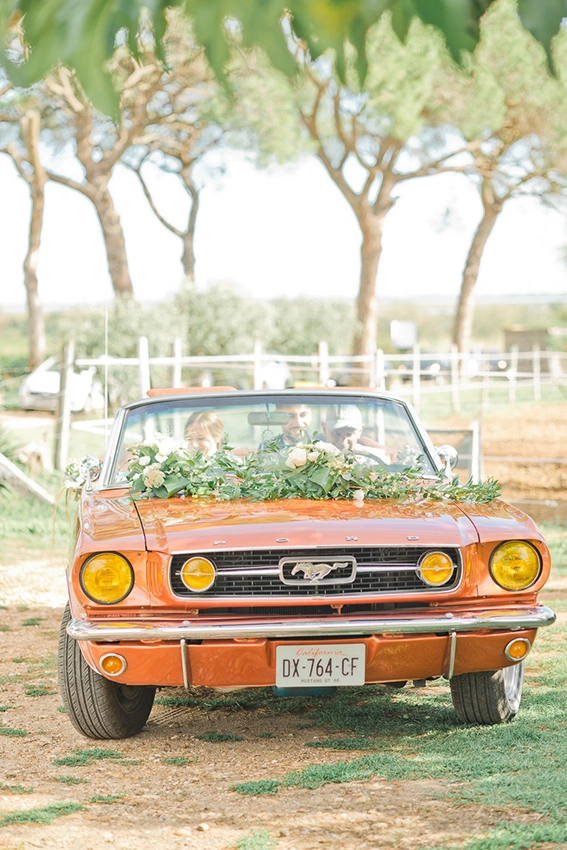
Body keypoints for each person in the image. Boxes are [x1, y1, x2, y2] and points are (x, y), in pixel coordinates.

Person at [322, 404, 390, 463]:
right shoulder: (313, 457)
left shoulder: (373, 459)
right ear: (324, 429)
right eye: (337, 433)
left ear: (360, 431)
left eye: (349, 434)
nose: (342, 441)